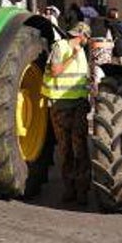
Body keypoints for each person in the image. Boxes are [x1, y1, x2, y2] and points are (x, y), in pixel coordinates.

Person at [42, 21, 91, 205]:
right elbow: (55, 71)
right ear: (81, 35)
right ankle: (69, 189)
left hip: (78, 104)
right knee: (65, 148)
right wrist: (72, 57)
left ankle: (82, 190)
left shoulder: (82, 53)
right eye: (85, 37)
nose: (86, 41)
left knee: (80, 147)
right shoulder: (60, 47)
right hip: (61, 105)